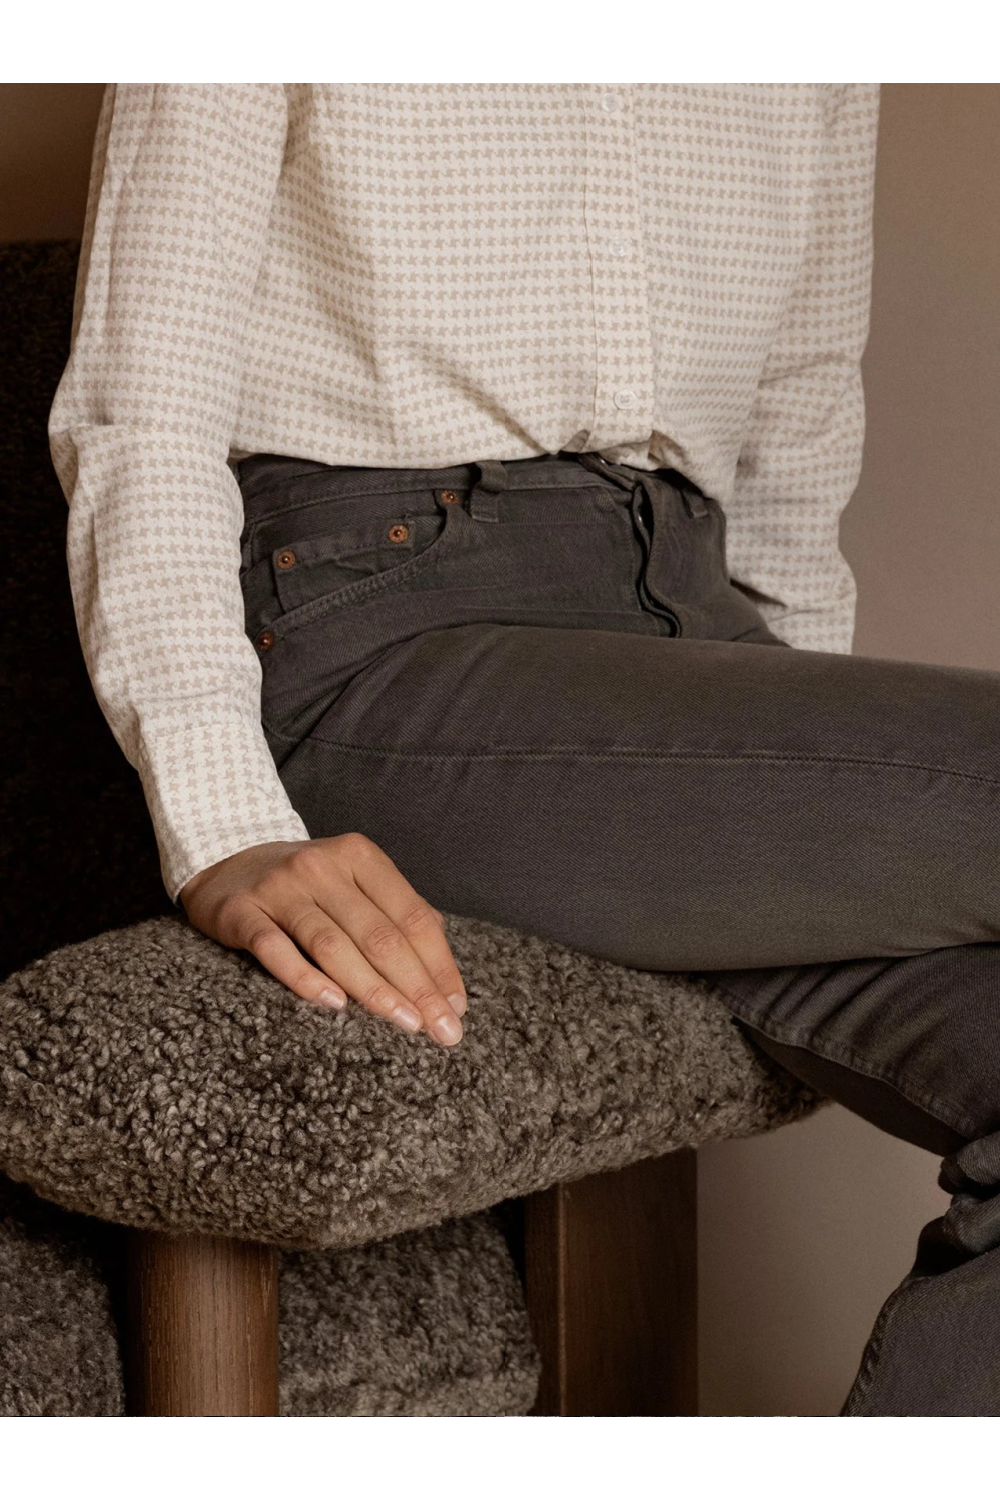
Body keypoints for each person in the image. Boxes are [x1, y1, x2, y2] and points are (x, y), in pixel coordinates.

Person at [48, 82, 1000, 1416]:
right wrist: (228, 823)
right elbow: (139, 410)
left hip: (695, 628)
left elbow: (798, 407)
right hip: (383, 622)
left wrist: (809, 808)